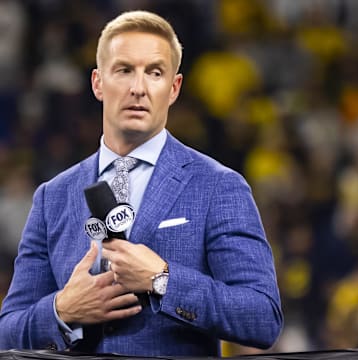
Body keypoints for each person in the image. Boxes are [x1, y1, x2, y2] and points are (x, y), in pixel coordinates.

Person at [0, 10, 283, 356]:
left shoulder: (218, 186)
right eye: (124, 70)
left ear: (174, 88)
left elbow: (262, 317)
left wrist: (163, 279)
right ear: (97, 83)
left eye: (155, 72)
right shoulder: (53, 196)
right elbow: (7, 333)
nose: (138, 88)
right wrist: (62, 310)